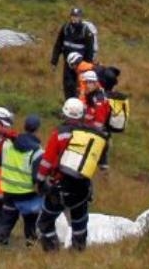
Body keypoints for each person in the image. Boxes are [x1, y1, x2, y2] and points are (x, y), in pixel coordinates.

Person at [35, 97, 106, 251]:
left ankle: (52, 253)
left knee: (44, 223)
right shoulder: (91, 135)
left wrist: (40, 181)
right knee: (79, 223)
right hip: (82, 188)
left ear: (65, 113)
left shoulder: (59, 134)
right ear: (82, 114)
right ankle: (78, 253)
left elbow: (47, 161)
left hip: (59, 187)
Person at [0, 113, 45, 245]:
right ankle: (31, 244)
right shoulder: (37, 151)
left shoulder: (7, 142)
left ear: (24, 127)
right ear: (37, 129)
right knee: (30, 221)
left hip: (8, 190)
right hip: (26, 193)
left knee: (6, 218)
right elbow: (38, 177)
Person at [51, 7, 97, 100]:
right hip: (68, 64)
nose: (74, 18)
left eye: (76, 16)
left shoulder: (86, 31)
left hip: (81, 65)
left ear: (80, 18)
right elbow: (58, 45)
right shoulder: (65, 28)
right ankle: (68, 103)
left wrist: (88, 66)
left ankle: (79, 104)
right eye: (73, 16)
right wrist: (54, 61)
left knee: (79, 86)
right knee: (67, 85)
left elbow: (90, 50)